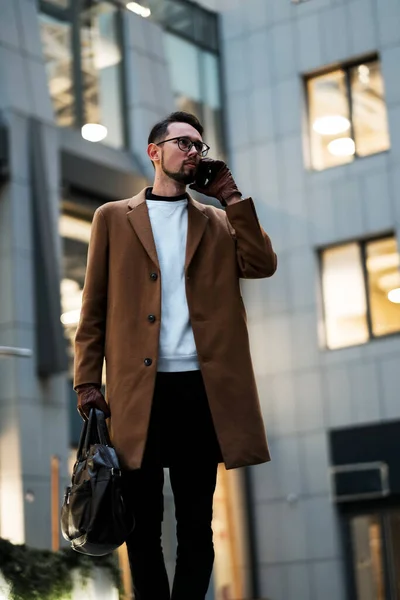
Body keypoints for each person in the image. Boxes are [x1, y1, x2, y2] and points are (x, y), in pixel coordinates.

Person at [73, 111, 277, 600]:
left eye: (199, 146)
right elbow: (93, 303)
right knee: (141, 525)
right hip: (138, 391)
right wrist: (86, 379)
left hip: (201, 391)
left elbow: (262, 264)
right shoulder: (112, 218)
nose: (193, 151)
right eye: (182, 142)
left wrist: (231, 197)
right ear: (154, 152)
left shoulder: (218, 221)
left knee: (195, 526)